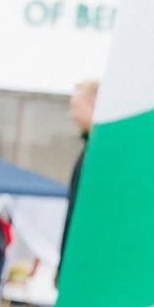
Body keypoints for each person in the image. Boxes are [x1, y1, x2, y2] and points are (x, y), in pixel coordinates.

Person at [58, 77, 97, 283]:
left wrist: (67, 261)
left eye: (75, 107)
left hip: (84, 260)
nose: (71, 114)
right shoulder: (90, 148)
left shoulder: (96, 154)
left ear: (93, 105)